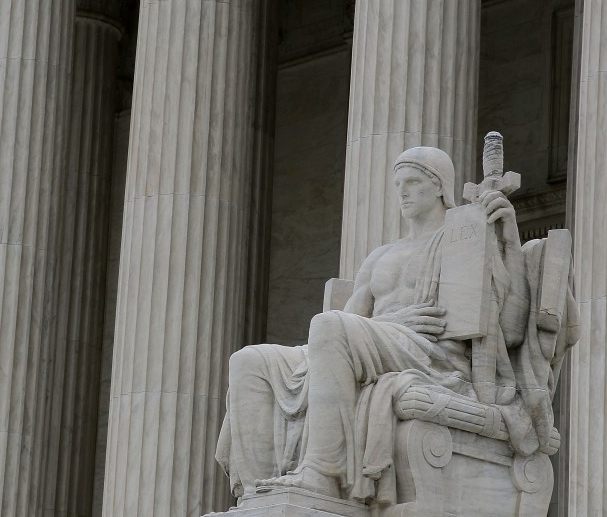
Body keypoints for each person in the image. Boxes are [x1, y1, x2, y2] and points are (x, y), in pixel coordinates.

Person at [215, 146, 528, 504]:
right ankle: (262, 495)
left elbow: (511, 327)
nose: (403, 193)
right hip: (379, 341)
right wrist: (393, 320)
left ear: (441, 186)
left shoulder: (465, 239)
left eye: (413, 182)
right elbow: (351, 320)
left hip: (433, 354)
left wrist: (508, 239)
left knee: (329, 326)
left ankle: (322, 473)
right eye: (398, 184)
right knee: (250, 360)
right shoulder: (381, 257)